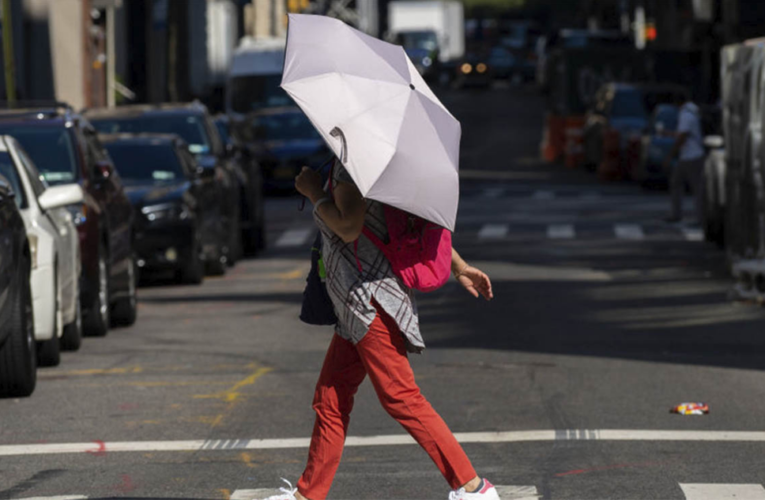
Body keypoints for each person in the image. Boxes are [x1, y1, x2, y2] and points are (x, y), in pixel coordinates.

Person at [261, 160, 498, 500]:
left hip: (369, 303)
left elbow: (349, 227)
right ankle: (307, 494)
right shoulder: (379, 163)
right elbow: (407, 223)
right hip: (353, 306)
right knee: (331, 398)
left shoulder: (352, 167)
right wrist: (458, 266)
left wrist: (314, 192)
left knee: (400, 397)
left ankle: (474, 487)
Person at [664, 94, 705, 223]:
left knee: (696, 187)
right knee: (677, 183)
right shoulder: (691, 111)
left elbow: (682, 137)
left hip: (691, 156)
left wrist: (670, 155)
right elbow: (682, 134)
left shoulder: (686, 115)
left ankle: (700, 218)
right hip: (689, 155)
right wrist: (667, 133)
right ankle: (676, 214)